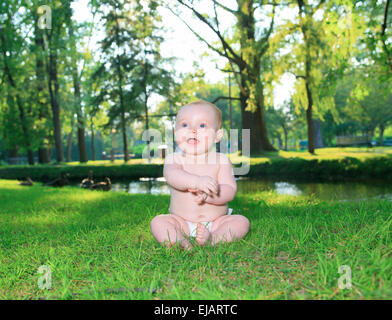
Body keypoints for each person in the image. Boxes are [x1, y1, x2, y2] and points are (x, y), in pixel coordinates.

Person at [150, 100, 250, 249]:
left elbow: (229, 190)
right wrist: (196, 181)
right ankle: (179, 241)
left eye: (202, 125)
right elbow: (172, 176)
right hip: (182, 221)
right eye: (185, 125)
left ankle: (213, 239)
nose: (192, 130)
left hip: (216, 222)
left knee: (241, 222)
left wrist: (211, 196)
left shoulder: (221, 160)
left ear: (217, 135)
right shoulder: (174, 159)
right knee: (158, 222)